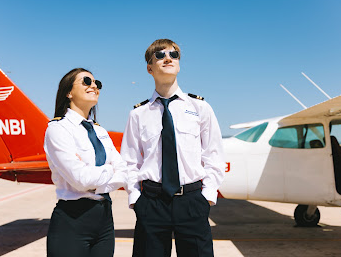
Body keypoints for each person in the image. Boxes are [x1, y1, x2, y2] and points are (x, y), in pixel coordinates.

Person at [121, 39, 225, 257]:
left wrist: (206, 196)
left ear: (179, 63)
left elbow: (214, 156)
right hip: (151, 203)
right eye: (160, 55)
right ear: (150, 68)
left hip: (192, 202)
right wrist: (136, 199)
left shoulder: (200, 108)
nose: (168, 58)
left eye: (174, 54)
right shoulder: (138, 114)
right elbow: (129, 162)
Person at [44, 68, 127, 257]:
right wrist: (109, 171)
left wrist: (99, 176)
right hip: (73, 220)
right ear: (68, 92)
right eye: (87, 81)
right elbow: (81, 179)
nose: (94, 86)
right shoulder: (58, 129)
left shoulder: (100, 132)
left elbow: (123, 172)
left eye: (97, 84)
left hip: (105, 220)